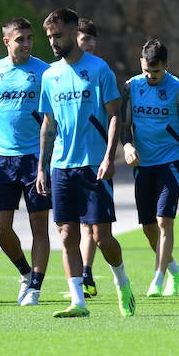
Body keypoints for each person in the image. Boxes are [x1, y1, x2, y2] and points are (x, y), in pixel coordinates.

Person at [35, 7, 134, 318]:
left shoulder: (99, 69)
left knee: (102, 238)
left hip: (94, 165)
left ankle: (122, 282)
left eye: (58, 35)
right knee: (66, 234)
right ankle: (78, 301)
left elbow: (115, 114)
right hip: (61, 166)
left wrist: (109, 156)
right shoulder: (50, 75)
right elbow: (48, 124)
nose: (53, 41)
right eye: (49, 36)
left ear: (73, 32)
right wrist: (42, 165)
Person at [0, 17, 52, 306]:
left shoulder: (44, 72)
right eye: (20, 39)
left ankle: (35, 287)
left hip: (36, 159)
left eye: (30, 38)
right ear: (6, 41)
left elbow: (51, 117)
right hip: (4, 160)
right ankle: (24, 271)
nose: (27, 44)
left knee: (38, 225)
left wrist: (47, 160)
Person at [122, 38, 179, 297]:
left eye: (156, 71)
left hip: (171, 162)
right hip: (144, 164)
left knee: (164, 221)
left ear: (166, 65)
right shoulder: (132, 86)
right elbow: (124, 126)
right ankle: (174, 268)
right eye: (146, 71)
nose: (151, 76)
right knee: (148, 226)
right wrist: (127, 146)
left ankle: (158, 277)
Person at [73, 15, 100, 295]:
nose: (87, 43)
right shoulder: (63, 72)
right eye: (83, 39)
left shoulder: (101, 71)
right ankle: (85, 273)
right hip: (70, 159)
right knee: (82, 226)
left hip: (96, 157)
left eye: (91, 38)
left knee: (97, 229)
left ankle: (111, 275)